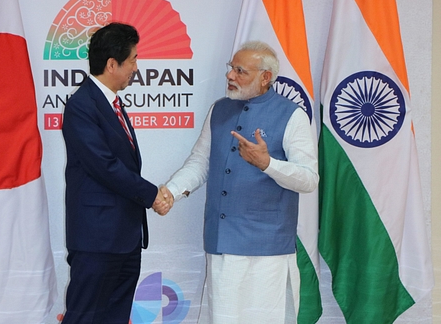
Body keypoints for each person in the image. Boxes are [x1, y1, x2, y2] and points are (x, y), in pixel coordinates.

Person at [161, 41, 318, 323]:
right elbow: (200, 161)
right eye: (231, 68)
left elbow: (308, 179)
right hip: (223, 243)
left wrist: (268, 164)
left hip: (268, 249)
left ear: (265, 77)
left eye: (240, 71)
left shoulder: (292, 115)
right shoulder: (219, 110)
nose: (230, 76)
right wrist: (172, 191)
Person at [61, 22, 171, 324]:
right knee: (85, 318)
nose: (136, 66)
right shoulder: (82, 105)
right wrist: (152, 195)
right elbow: (105, 165)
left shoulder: (112, 104)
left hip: (124, 238)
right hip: (97, 240)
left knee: (115, 318)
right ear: (112, 64)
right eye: (133, 59)